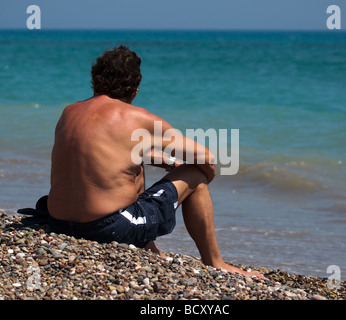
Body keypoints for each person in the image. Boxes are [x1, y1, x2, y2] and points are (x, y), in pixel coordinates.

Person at [46, 45, 263, 278]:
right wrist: (198, 177)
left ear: (95, 81)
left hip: (58, 222)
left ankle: (148, 246)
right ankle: (215, 262)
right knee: (196, 176)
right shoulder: (136, 117)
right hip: (105, 227)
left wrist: (168, 164)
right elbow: (206, 158)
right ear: (135, 89)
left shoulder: (70, 111)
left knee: (135, 162)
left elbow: (113, 156)